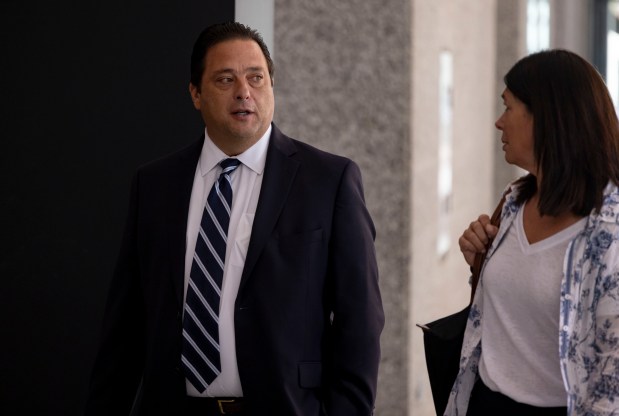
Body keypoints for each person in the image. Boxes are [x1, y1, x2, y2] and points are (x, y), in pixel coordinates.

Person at [84, 22, 384, 416]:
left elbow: (359, 322)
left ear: (271, 86)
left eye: (256, 78)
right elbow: (125, 325)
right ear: (195, 93)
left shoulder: (329, 181)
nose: (244, 91)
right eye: (225, 79)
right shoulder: (155, 185)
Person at [447, 49, 619, 416]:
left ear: (548, 118)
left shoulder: (610, 230)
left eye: (508, 107)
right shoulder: (513, 200)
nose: (498, 122)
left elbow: (611, 374)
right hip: (484, 403)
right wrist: (478, 262)